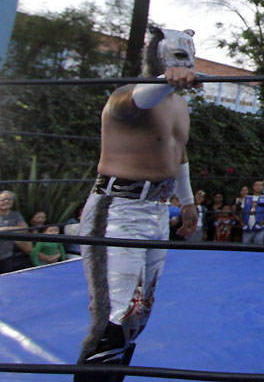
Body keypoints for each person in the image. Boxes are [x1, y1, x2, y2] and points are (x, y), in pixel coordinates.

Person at [76, 27, 199, 381]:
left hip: (158, 211)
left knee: (139, 313)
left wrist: (187, 202)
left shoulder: (179, 103)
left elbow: (180, 152)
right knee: (116, 314)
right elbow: (128, 106)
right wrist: (165, 80)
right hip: (118, 210)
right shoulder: (127, 93)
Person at [240, 180, 264, 245]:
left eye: (260, 185)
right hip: (247, 224)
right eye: (256, 185)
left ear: (263, 187)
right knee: (245, 244)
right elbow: (242, 211)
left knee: (258, 245)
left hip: (259, 224)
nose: (258, 187)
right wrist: (241, 222)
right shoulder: (247, 198)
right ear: (253, 187)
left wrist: (261, 223)